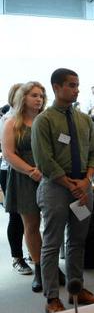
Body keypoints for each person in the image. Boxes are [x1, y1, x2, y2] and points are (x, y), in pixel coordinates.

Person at [31, 68, 94, 312]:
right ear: (56, 87)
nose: (76, 89)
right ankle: (52, 297)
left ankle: (77, 289)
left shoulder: (84, 119)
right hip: (56, 189)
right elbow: (44, 160)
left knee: (77, 242)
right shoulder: (44, 120)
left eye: (77, 85)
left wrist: (87, 180)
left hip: (84, 188)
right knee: (52, 244)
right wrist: (69, 184)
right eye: (71, 85)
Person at [2, 81, 47, 292]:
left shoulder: (46, 121)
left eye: (41, 95)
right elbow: (9, 154)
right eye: (34, 95)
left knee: (53, 226)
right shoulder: (12, 123)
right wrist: (31, 170)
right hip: (23, 177)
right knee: (30, 225)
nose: (38, 99)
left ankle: (51, 266)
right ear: (23, 98)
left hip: (49, 177)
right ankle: (39, 269)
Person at [0, 83, 31, 276]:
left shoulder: (32, 119)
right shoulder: (8, 119)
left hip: (30, 171)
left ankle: (32, 253)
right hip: (10, 171)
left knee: (32, 218)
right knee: (17, 215)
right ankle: (17, 257)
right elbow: (9, 151)